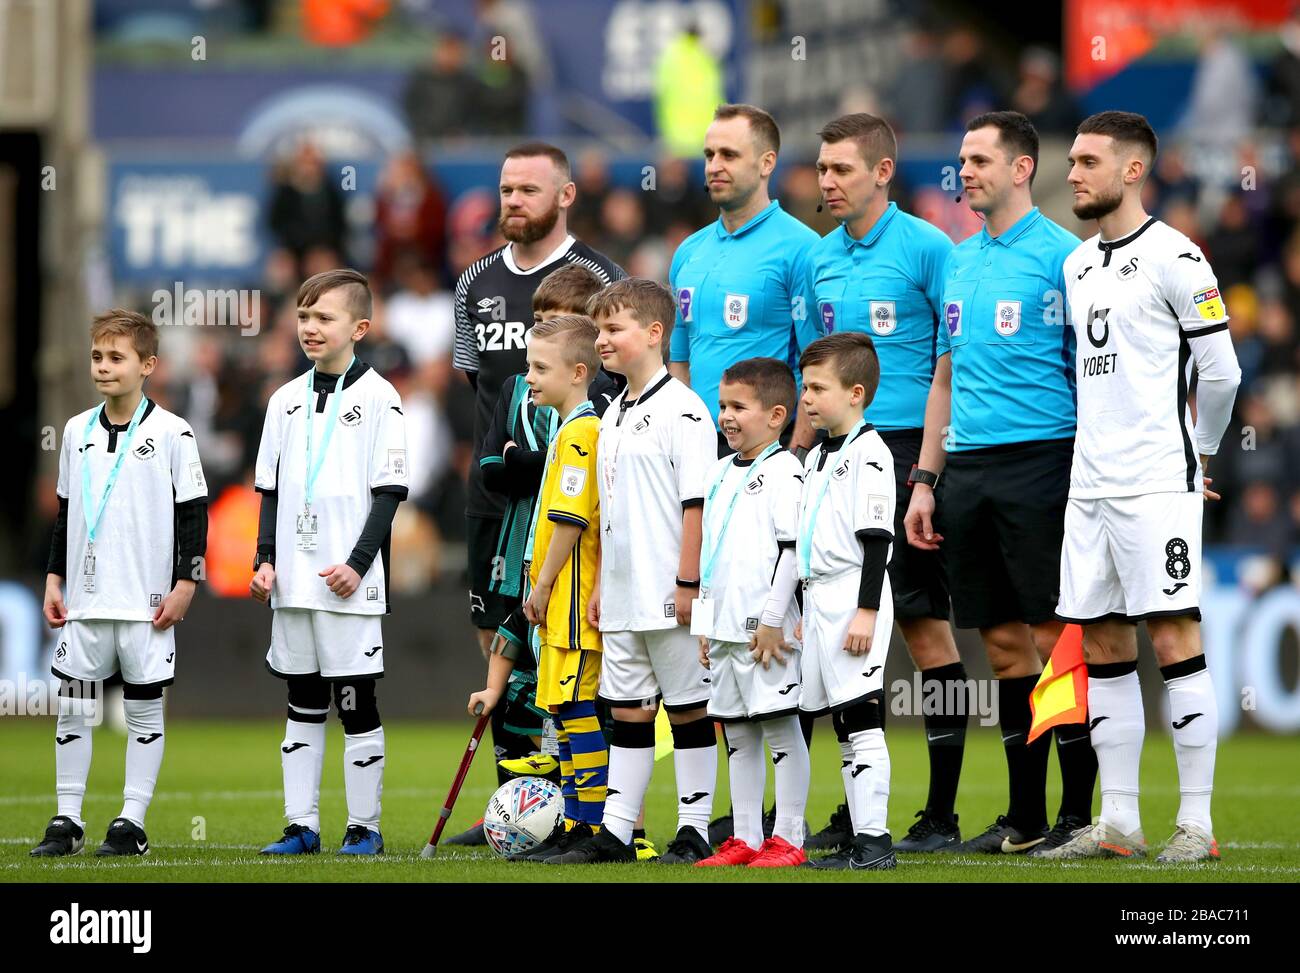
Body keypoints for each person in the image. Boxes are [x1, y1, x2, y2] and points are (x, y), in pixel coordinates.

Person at [1042, 111, 1242, 862]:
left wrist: (1202, 456)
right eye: (1071, 159)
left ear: (1132, 170)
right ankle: (1118, 818)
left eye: (1088, 160)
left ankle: (1195, 824)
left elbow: (1222, 372)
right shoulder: (1077, 264)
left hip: (1157, 481)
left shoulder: (1178, 257)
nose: (1073, 173)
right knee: (1102, 643)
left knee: (1174, 636)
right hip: (1089, 485)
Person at [905, 111, 1098, 856]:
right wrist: (926, 479)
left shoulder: (1066, 258)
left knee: (1053, 638)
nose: (965, 171)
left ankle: (1078, 813)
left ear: (1022, 169)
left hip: (1043, 462)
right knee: (1004, 649)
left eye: (980, 159)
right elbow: (945, 375)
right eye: (961, 159)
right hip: (969, 468)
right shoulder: (958, 259)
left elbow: (1090, 372)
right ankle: (1024, 816)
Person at [450, 142, 624, 844]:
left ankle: (577, 809)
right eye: (505, 188)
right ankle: (515, 810)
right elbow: (479, 385)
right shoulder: (474, 282)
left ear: (566, 194)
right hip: (493, 496)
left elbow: (613, 386)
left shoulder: (598, 276)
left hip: (568, 498)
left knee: (566, 658)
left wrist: (540, 464)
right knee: (498, 640)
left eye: (528, 188)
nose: (512, 200)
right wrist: (506, 460)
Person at [804, 112, 967, 853]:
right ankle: (853, 806)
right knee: (837, 633)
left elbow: (951, 362)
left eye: (841, 168)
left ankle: (941, 810)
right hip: (836, 453)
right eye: (822, 168)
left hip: (909, 452)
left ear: (881, 172)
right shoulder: (819, 260)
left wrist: (928, 468)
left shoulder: (930, 248)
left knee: (927, 629)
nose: (827, 181)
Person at [549, 279, 718, 865]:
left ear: (653, 334)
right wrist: (601, 586)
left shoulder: (686, 411)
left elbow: (696, 504)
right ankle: (617, 832)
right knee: (628, 711)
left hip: (671, 592)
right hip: (620, 595)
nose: (601, 340)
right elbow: (613, 512)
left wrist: (689, 585)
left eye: (613, 329)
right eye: (598, 330)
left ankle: (695, 828)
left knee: (691, 708)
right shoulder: (613, 411)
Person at [32, 309, 208, 858]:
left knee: (144, 710)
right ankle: (67, 818)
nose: (103, 367)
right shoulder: (75, 430)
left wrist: (187, 582)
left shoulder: (174, 432)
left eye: (116, 358)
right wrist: (54, 576)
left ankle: (131, 821)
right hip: (86, 599)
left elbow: (193, 516)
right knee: (75, 708)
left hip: (147, 602)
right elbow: (65, 513)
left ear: (147, 365)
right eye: (96, 357)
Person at [251, 269, 408, 856]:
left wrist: (358, 564)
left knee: (355, 703)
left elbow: (389, 490)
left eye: (325, 318)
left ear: (359, 328)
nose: (310, 329)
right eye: (304, 317)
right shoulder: (283, 400)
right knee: (301, 702)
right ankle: (301, 826)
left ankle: (364, 827)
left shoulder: (380, 398)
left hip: (349, 585)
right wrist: (266, 559)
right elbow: (269, 488)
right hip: (293, 583)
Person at [470, 314, 609, 861]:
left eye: (538, 367)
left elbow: (570, 519)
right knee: (561, 714)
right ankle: (573, 821)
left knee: (577, 713)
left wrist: (544, 582)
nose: (527, 378)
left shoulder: (580, 433)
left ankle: (589, 827)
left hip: (571, 601)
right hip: (555, 602)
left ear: (578, 373)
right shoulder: (568, 428)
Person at [692, 358, 811, 869]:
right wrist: (703, 623)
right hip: (721, 629)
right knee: (737, 734)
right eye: (722, 405)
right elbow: (709, 554)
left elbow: (791, 553)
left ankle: (788, 837)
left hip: (766, 631)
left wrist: (770, 618)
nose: (727, 416)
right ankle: (745, 837)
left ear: (776, 415)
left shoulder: (785, 471)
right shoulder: (719, 471)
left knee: (781, 728)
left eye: (739, 406)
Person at [795, 333, 898, 871]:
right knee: (839, 724)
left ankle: (876, 843)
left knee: (861, 718)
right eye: (804, 386)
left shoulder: (871, 453)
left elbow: (877, 537)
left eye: (818, 387)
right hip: (818, 599)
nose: (806, 398)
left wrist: (866, 610)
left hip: (854, 593)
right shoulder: (815, 455)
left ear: (855, 393)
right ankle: (861, 838)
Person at [668, 103, 820, 452]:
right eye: (709, 155)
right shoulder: (688, 252)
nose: (715, 166)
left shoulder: (802, 248)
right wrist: (682, 441)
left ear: (767, 163)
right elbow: (679, 361)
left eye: (729, 155)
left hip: (768, 447)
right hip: (697, 447)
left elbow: (816, 369)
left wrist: (795, 455)